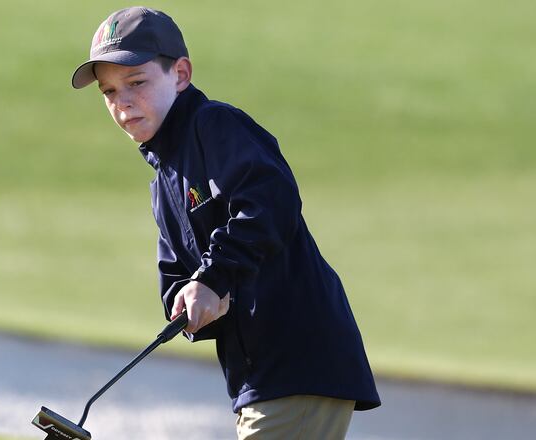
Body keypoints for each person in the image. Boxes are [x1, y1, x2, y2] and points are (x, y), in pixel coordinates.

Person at [71, 6, 381, 439]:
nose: (122, 102)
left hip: (297, 362)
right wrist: (189, 302)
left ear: (181, 74)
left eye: (136, 82)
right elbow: (176, 278)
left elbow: (270, 202)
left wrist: (213, 278)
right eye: (109, 91)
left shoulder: (213, 125)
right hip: (261, 379)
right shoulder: (164, 182)